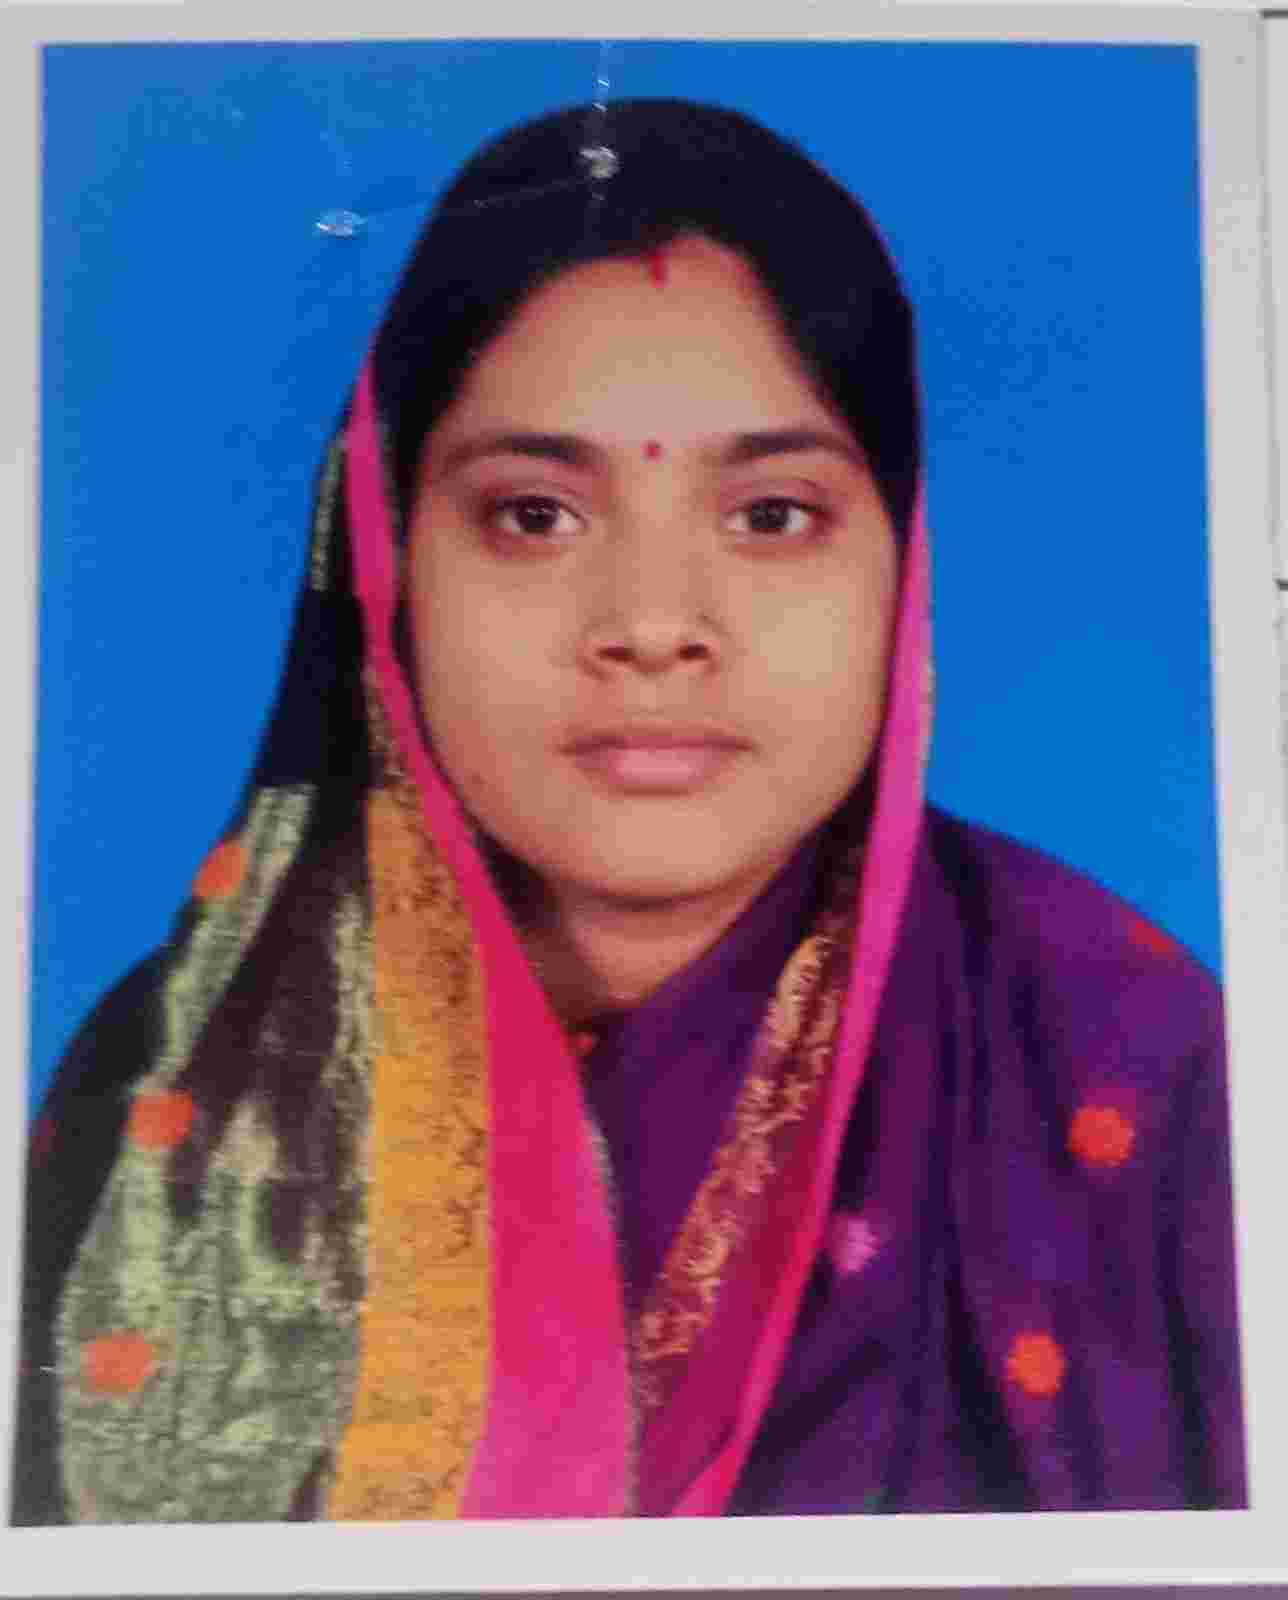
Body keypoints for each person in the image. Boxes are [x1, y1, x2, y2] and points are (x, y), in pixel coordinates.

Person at [12, 98, 1245, 1524]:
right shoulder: (174, 1081)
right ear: (384, 557)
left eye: (771, 515)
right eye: (535, 516)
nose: (654, 627)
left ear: (900, 567)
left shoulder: (1125, 1067)